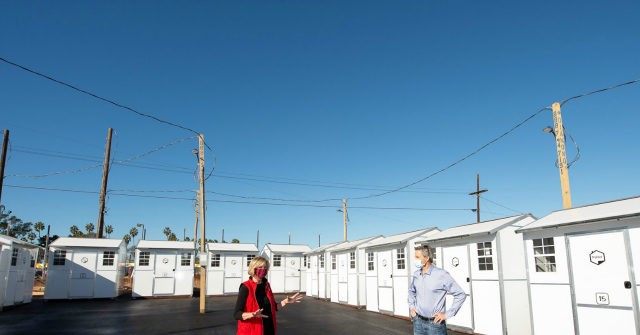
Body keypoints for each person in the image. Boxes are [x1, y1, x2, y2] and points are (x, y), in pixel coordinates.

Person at [234, 256, 304, 335]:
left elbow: (274, 307)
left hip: (269, 329)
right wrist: (252, 314)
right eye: (260, 267)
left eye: (265, 267)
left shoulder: (266, 285)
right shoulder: (245, 287)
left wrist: (286, 301)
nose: (263, 269)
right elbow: (237, 314)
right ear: (253, 268)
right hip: (252, 331)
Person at [408, 245, 466, 335]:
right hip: (418, 322)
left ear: (427, 258)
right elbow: (411, 291)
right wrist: (412, 307)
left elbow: (460, 294)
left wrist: (446, 315)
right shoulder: (416, 274)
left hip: (435, 325)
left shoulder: (441, 274)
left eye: (417, 257)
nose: (414, 260)